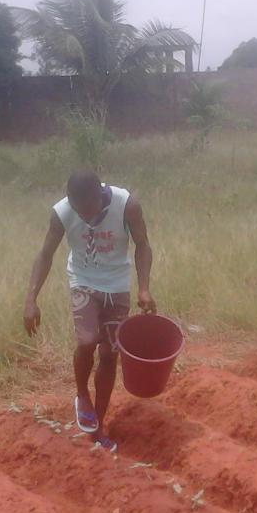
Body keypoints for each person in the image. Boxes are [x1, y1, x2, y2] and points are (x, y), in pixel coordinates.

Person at [24, 169, 155, 453]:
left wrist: (143, 288)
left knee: (109, 354)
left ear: (100, 195)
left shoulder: (127, 205)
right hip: (83, 282)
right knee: (86, 341)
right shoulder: (62, 213)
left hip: (117, 286)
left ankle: (98, 425)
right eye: (77, 208)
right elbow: (45, 253)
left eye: (88, 208)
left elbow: (143, 245)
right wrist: (31, 298)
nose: (83, 215)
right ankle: (82, 394)